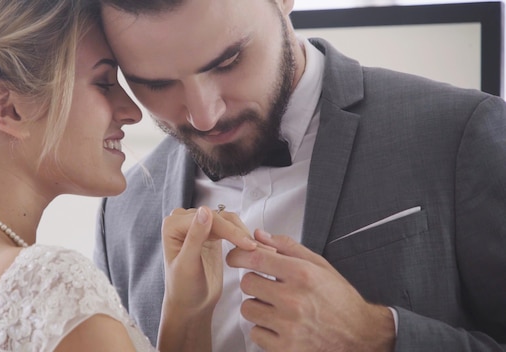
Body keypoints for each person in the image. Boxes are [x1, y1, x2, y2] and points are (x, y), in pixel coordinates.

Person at [94, 0, 506, 351]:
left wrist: (378, 336)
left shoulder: (460, 133)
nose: (205, 115)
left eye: (228, 62)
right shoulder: (120, 214)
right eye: (157, 84)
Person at [0, 0, 258, 351]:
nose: (131, 111)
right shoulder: (48, 288)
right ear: (9, 109)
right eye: (105, 83)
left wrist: (185, 313)